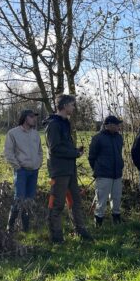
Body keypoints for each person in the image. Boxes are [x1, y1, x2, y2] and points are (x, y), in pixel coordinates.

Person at [43, 94, 92, 243]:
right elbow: (55, 148)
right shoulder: (53, 125)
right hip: (59, 172)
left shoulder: (65, 123)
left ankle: (80, 231)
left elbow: (63, 146)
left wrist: (75, 150)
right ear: (64, 106)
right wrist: (74, 153)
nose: (74, 107)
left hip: (70, 170)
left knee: (75, 202)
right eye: (72, 105)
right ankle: (56, 237)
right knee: (57, 204)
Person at [3, 109, 43, 232]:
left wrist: (38, 163)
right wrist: (18, 166)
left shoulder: (35, 134)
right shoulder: (13, 133)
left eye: (35, 117)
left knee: (29, 199)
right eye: (32, 117)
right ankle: (10, 227)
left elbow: (40, 151)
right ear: (25, 118)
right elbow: (8, 152)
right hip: (21, 171)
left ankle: (26, 229)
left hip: (34, 171)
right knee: (19, 199)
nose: (34, 119)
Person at [88, 115, 124, 226]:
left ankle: (116, 220)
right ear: (109, 125)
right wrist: (98, 170)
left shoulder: (119, 138)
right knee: (101, 200)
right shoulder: (97, 138)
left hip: (117, 174)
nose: (119, 126)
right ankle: (98, 223)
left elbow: (119, 153)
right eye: (117, 124)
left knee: (117, 199)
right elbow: (91, 157)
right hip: (103, 175)